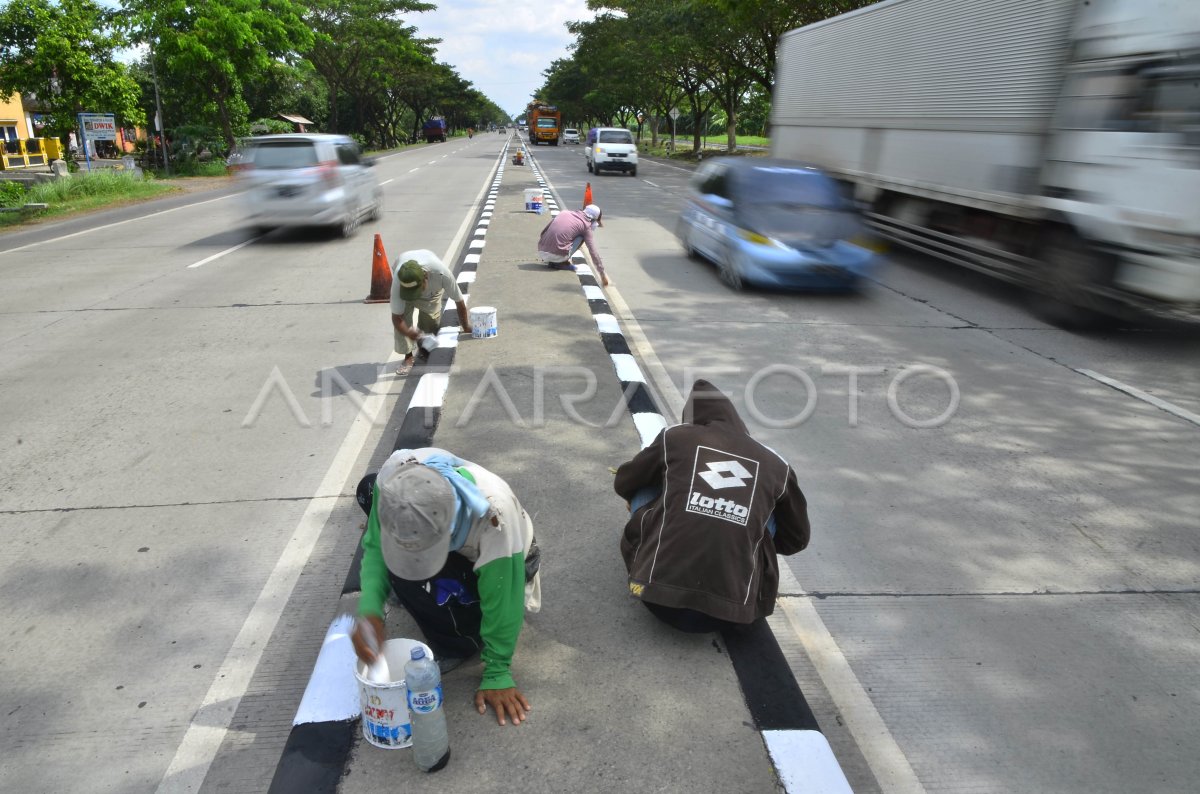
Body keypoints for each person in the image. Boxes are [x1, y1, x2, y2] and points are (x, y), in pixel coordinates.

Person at [351, 447, 543, 726]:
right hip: (458, 545)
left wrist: (497, 671)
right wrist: (370, 610)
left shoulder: (493, 518)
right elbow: (375, 545)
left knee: (420, 583)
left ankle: (460, 643)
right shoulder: (394, 476)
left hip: (511, 563)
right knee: (367, 490)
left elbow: (504, 595)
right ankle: (425, 588)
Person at [612, 380, 810, 633]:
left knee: (647, 484)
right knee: (765, 510)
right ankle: (736, 574)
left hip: (656, 598)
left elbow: (624, 481)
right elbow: (797, 539)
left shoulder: (677, 436)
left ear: (694, 420)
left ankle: (653, 559)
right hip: (733, 616)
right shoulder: (776, 465)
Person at [391, 249, 471, 376]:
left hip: (432, 291)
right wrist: (408, 332)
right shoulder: (399, 279)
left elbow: (459, 302)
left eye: (416, 290)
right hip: (403, 281)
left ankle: (423, 350)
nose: (414, 296)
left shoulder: (442, 274)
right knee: (404, 321)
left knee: (431, 321)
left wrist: (466, 326)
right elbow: (396, 317)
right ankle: (408, 357)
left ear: (426, 276)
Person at [536, 204, 610, 286]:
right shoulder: (586, 226)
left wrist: (547, 247)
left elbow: (543, 232)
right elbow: (593, 252)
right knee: (582, 237)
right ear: (593, 219)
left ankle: (555, 259)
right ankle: (560, 262)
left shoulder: (564, 213)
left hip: (541, 251)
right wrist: (602, 274)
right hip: (556, 256)